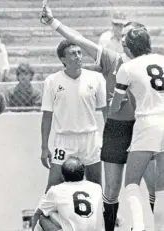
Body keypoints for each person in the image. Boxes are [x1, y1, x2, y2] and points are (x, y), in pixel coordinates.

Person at [40, 7, 156, 231]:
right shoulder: (113, 60)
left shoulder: (150, 63)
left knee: (153, 185)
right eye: (121, 35)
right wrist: (54, 22)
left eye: (126, 35)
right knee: (110, 189)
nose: (122, 39)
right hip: (117, 129)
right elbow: (78, 39)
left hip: (143, 127)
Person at [111, 28, 164, 231]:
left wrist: (118, 103)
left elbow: (115, 105)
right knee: (161, 186)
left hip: (147, 122)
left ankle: (139, 227)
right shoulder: (161, 59)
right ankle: (159, 227)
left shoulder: (127, 67)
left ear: (130, 48)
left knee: (131, 183)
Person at [41, 39, 106, 192]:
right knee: (52, 189)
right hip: (64, 140)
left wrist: (110, 140)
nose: (78, 56)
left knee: (96, 188)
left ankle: (101, 216)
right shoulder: (52, 81)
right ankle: (40, 216)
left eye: (79, 52)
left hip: (90, 139)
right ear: (63, 59)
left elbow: (106, 112)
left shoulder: (96, 78)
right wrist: (44, 147)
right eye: (72, 54)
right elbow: (47, 116)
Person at [33, 156, 103, 231]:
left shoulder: (56, 190)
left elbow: (38, 213)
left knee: (42, 217)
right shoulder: (97, 188)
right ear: (83, 173)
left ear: (63, 176)